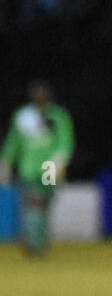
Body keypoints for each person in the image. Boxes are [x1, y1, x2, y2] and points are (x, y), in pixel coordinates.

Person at [1, 81, 75, 256]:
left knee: (44, 204)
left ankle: (39, 239)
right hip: (29, 167)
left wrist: (61, 159)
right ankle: (34, 243)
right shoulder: (23, 115)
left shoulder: (58, 116)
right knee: (33, 202)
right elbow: (14, 141)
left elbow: (66, 141)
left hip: (50, 167)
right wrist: (5, 161)